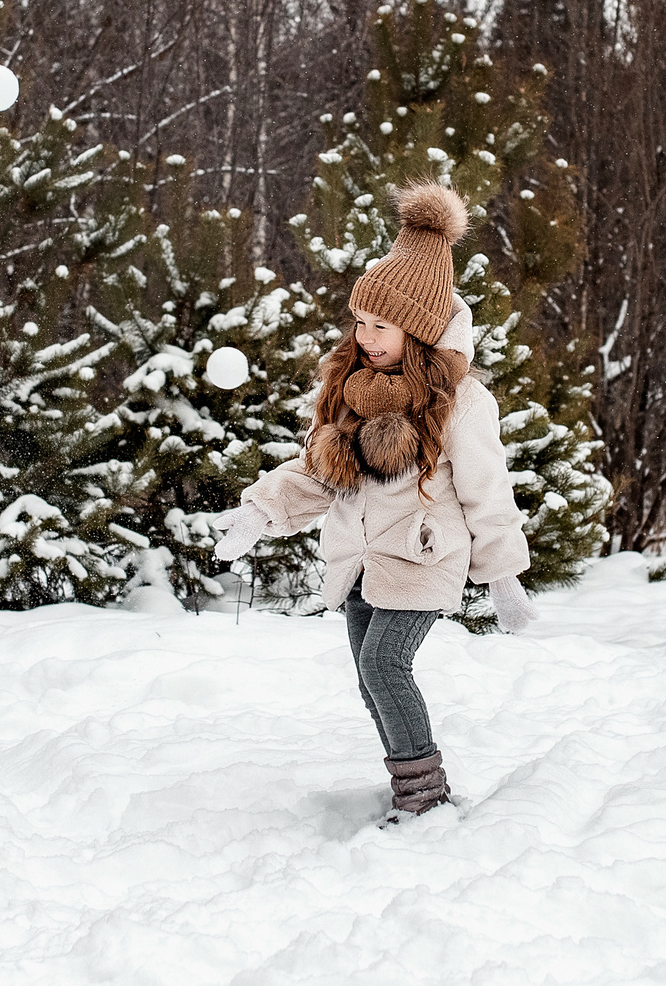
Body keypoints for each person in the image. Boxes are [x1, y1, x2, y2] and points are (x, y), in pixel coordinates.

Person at [212, 180, 536, 820]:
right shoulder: (353, 388)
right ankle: (411, 789)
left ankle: (425, 799)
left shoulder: (460, 401)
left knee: (386, 666)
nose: (364, 336)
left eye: (380, 325)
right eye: (360, 321)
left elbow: (487, 490)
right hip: (359, 561)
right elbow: (319, 470)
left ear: (417, 330)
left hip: (422, 559)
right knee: (370, 678)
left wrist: (502, 575)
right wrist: (260, 510)